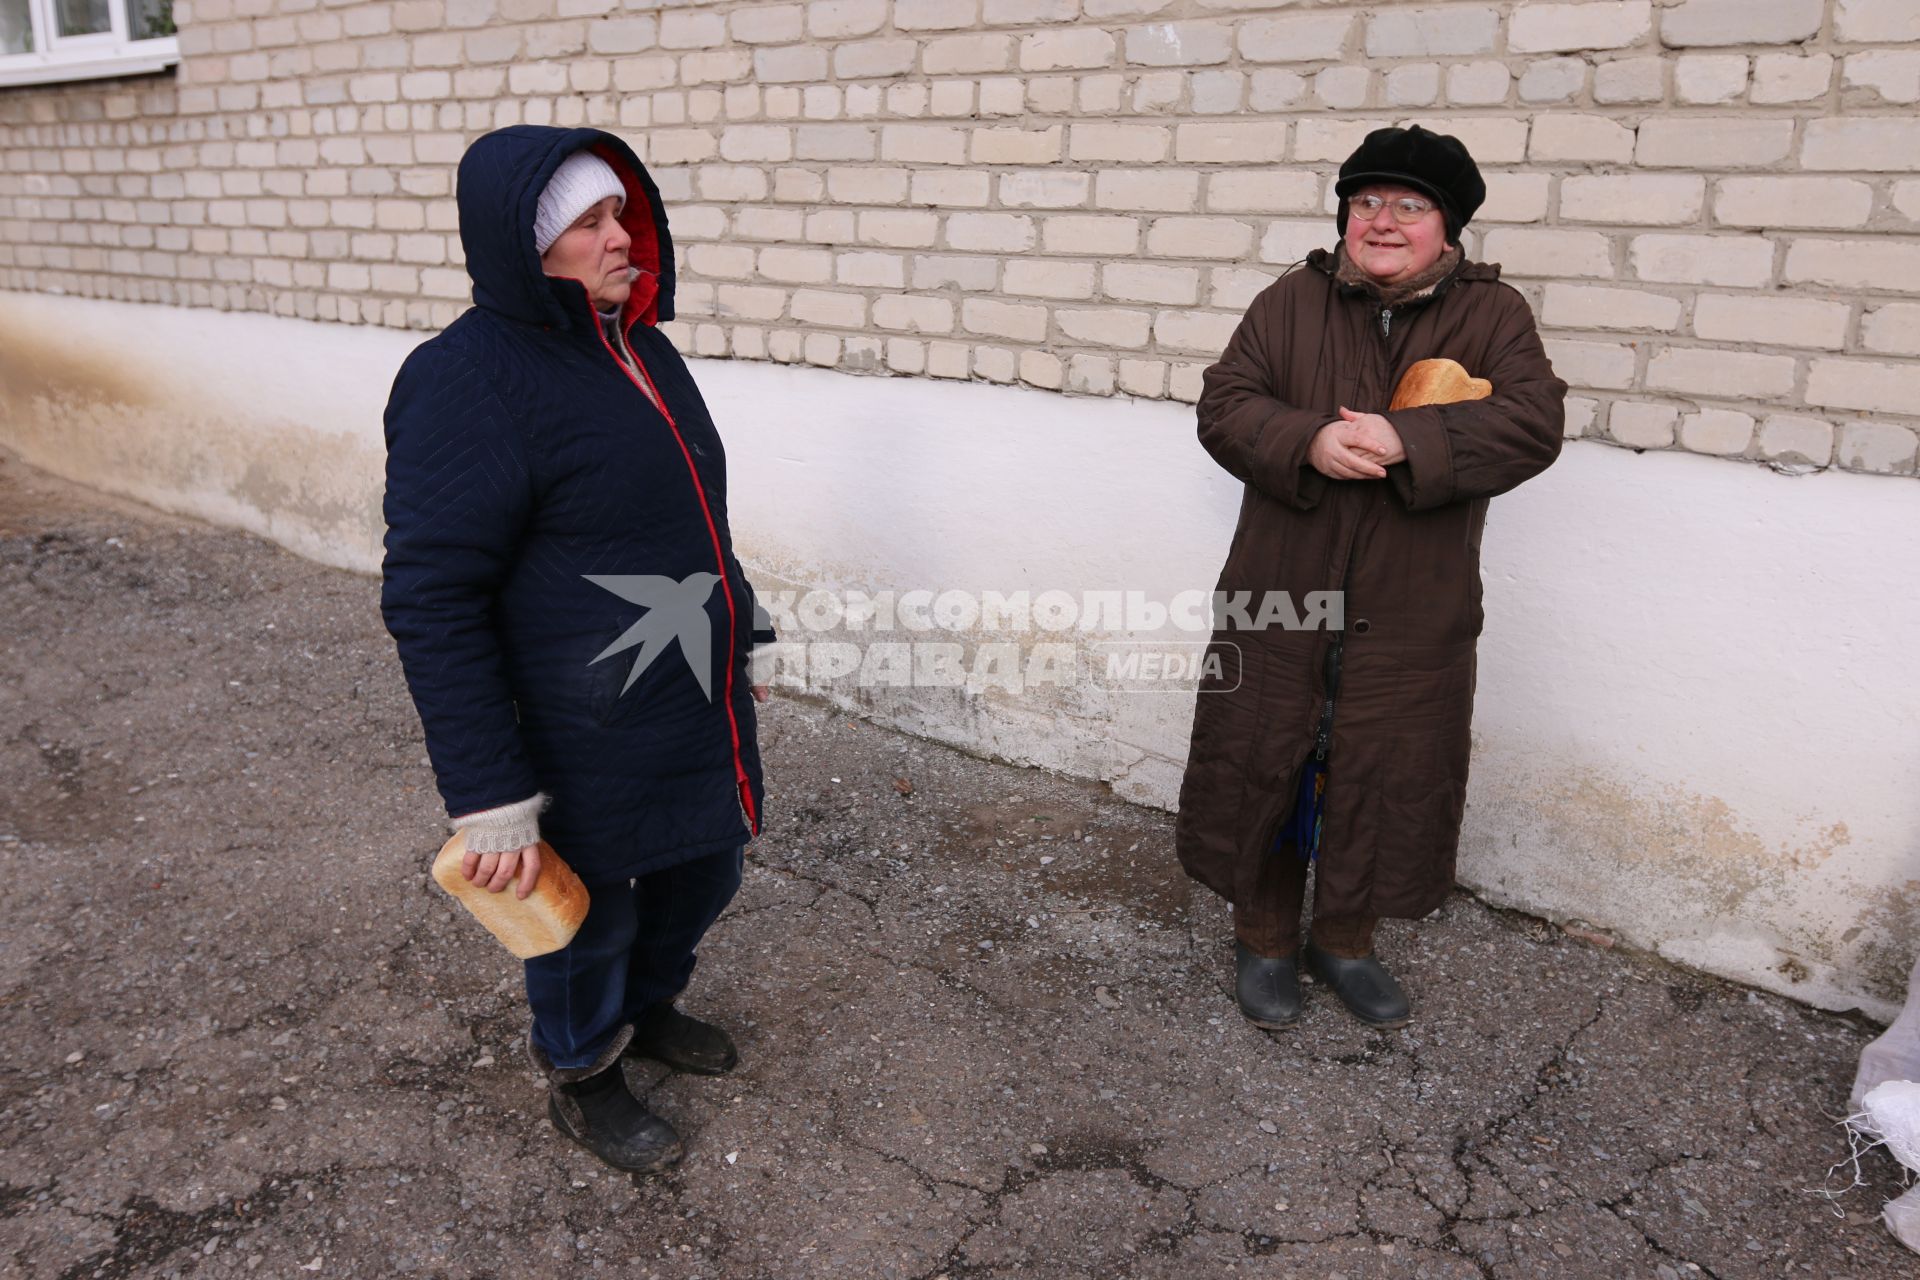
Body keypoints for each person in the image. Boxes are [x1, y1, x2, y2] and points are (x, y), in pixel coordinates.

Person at [380, 126, 775, 1173]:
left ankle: (648, 1009)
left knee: (707, 873)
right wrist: (488, 796)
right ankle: (585, 1067)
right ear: (525, 245)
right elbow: (432, 597)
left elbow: (691, 515)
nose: (623, 239)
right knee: (585, 918)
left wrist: (741, 630)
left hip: (683, 685)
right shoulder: (465, 380)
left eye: (622, 215)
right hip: (573, 725)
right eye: (591, 223)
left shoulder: (641, 346)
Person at [1175, 125, 1567, 1032]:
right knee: (1268, 757)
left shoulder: (1493, 316)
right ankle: (1265, 935)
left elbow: (1532, 427)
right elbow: (1225, 405)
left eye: (1409, 205)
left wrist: (1410, 439)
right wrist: (1307, 439)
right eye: (1365, 203)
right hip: (1281, 590)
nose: (1382, 221)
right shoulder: (1289, 301)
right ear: (1345, 216)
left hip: (1410, 606)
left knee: (1381, 771)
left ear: (1448, 227)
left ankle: (1344, 941)